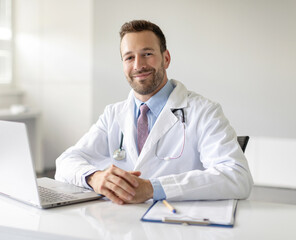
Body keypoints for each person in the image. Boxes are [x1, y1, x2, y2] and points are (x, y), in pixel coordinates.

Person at [55, 20, 253, 205]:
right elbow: (65, 162)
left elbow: (237, 176)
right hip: (121, 225)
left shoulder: (204, 111)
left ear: (165, 59)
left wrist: (153, 188)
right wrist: (94, 177)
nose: (138, 65)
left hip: (179, 226)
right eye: (129, 57)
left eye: (147, 54)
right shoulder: (113, 114)